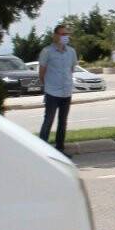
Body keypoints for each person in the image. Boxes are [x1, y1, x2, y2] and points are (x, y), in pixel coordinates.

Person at [37, 24, 77, 152]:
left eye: (67, 34)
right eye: (62, 34)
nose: (65, 37)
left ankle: (60, 149)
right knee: (48, 120)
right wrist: (47, 86)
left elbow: (71, 70)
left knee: (63, 122)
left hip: (66, 92)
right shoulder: (47, 51)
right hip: (52, 92)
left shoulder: (71, 52)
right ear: (55, 36)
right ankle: (42, 150)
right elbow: (41, 73)